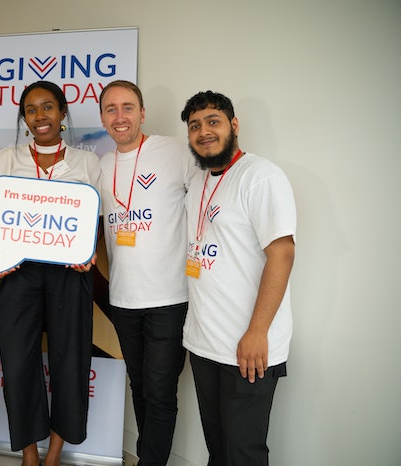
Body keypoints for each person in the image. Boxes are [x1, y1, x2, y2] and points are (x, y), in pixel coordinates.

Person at [180, 91, 296, 466]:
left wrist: (258, 331)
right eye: (195, 126)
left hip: (248, 347)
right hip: (205, 344)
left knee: (243, 453)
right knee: (219, 449)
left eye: (213, 121)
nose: (203, 132)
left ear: (234, 125)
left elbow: (282, 253)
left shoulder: (260, 176)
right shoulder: (199, 181)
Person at [0, 80, 100, 466]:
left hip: (70, 274)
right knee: (18, 362)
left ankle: (54, 452)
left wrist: (91, 256)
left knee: (70, 361)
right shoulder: (8, 157)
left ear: (62, 112)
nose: (40, 116)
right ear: (24, 117)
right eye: (32, 109)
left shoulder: (87, 162)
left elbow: (96, 221)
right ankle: (30, 454)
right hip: (19, 272)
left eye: (48, 107)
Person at [98, 80, 198, 466]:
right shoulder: (103, 166)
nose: (120, 116)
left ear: (142, 112)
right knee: (139, 386)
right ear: (103, 118)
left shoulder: (176, 152)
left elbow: (210, 194)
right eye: (111, 109)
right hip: (123, 299)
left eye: (127, 107)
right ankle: (149, 457)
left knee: (160, 390)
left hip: (170, 298)